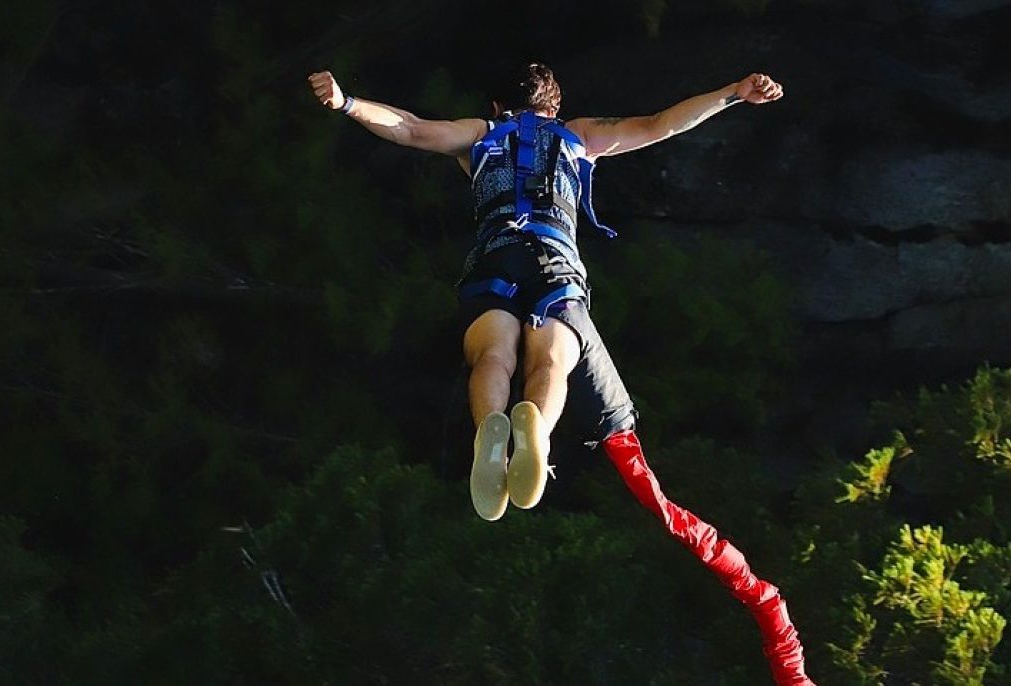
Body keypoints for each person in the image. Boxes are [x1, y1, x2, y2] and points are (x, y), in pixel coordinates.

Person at [308, 64, 815, 685]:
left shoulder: (482, 134)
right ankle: (536, 433)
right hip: (555, 261)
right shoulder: (580, 136)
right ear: (556, 105)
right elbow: (662, 124)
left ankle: (489, 430)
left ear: (500, 103)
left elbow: (410, 129)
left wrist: (347, 102)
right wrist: (732, 94)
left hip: (493, 260)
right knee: (552, 363)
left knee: (491, 357)